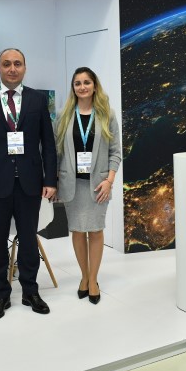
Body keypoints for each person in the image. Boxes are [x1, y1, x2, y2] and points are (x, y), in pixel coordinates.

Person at [0, 48, 57, 321]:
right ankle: (1, 294)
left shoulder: (37, 99)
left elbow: (48, 143)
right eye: (6, 64)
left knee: (29, 240)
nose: (12, 68)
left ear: (24, 68)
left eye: (17, 64)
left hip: (30, 183)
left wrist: (50, 179)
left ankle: (31, 291)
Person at [55, 67, 121, 305]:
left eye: (86, 82)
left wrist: (109, 181)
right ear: (73, 88)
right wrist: (54, 182)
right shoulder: (63, 116)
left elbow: (116, 152)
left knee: (95, 231)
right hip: (71, 184)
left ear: (94, 86)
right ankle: (84, 276)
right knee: (77, 231)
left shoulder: (107, 114)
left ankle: (93, 280)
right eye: (77, 83)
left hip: (98, 185)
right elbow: (56, 152)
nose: (82, 87)